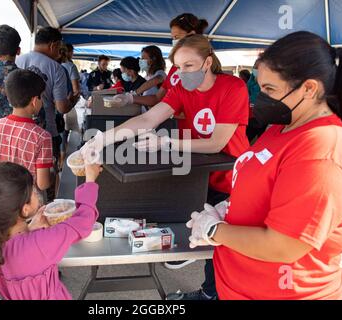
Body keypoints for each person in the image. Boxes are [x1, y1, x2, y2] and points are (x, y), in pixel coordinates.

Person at [187, 31, 342, 300]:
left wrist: (214, 230)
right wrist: (230, 207)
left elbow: (285, 245)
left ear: (309, 89)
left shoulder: (324, 149)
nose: (260, 98)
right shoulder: (283, 126)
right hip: (239, 286)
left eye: (270, 89)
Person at [82, 35, 250, 301]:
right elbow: (149, 117)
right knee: (203, 240)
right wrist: (103, 137)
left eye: (189, 66)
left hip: (232, 176)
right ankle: (209, 292)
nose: (182, 73)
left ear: (208, 62)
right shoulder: (183, 89)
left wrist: (168, 141)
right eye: (179, 67)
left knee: (224, 245)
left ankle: (218, 294)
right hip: (196, 175)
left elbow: (217, 142)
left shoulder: (233, 87)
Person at [0, 161, 102, 300]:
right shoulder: (40, 243)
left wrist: (28, 229)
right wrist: (90, 180)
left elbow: (17, 250)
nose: (36, 193)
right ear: (25, 209)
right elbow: (83, 222)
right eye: (33, 192)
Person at [111, 13, 214, 136]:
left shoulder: (205, 71)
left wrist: (170, 111)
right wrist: (131, 98)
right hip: (176, 135)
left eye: (177, 37)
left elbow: (202, 105)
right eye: (173, 38)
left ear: (191, 35)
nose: (174, 41)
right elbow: (157, 99)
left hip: (199, 136)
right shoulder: (174, 71)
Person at [16, 27, 77, 173]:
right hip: (47, 132)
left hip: (20, 132)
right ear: (53, 45)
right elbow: (62, 107)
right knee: (47, 178)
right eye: (59, 48)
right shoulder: (56, 68)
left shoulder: (18, 62)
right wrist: (73, 100)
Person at [0, 69, 52, 192]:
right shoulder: (42, 136)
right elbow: (42, 184)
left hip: (1, 198)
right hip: (29, 203)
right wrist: (52, 171)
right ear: (34, 101)